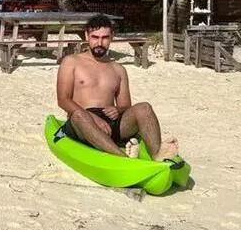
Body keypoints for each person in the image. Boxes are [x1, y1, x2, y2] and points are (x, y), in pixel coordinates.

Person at [56, 14, 178, 160]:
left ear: (112, 37)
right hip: (82, 121)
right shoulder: (71, 62)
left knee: (144, 108)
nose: (99, 42)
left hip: (111, 123)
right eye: (95, 37)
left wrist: (117, 110)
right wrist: (93, 118)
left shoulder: (118, 69)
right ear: (87, 36)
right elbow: (63, 100)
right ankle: (123, 158)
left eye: (105, 38)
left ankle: (158, 155)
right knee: (79, 116)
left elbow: (126, 105)